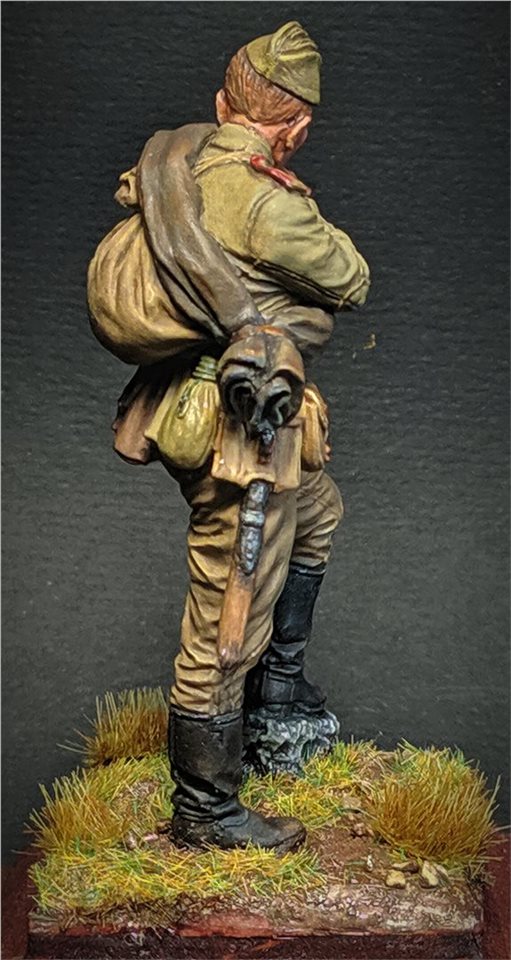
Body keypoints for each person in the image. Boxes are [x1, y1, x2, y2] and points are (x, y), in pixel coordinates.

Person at [88, 21, 370, 853]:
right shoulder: (264, 200)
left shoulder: (179, 164)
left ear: (222, 105)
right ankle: (205, 808)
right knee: (226, 611)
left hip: (215, 403)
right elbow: (350, 277)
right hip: (237, 430)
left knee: (317, 514)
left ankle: (278, 689)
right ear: (296, 127)